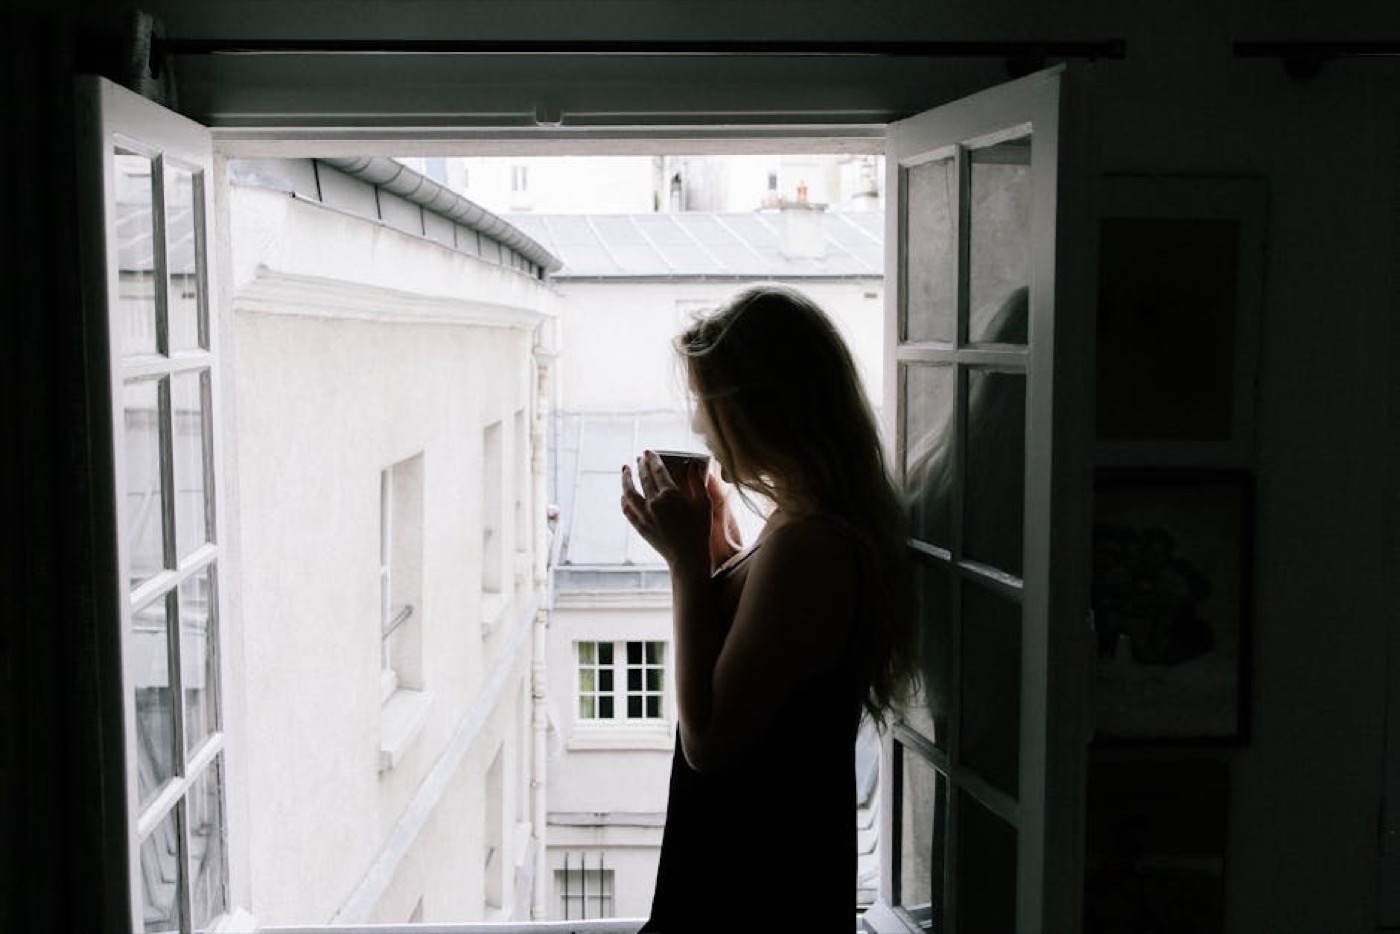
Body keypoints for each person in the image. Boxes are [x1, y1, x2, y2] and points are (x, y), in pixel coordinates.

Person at [620, 283, 920, 932]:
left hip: (753, 889)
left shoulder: (808, 545)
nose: (699, 424)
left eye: (707, 405)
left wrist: (684, 567)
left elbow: (711, 743)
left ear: (758, 410)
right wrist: (719, 550)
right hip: (772, 877)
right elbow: (761, 655)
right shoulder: (804, 519)